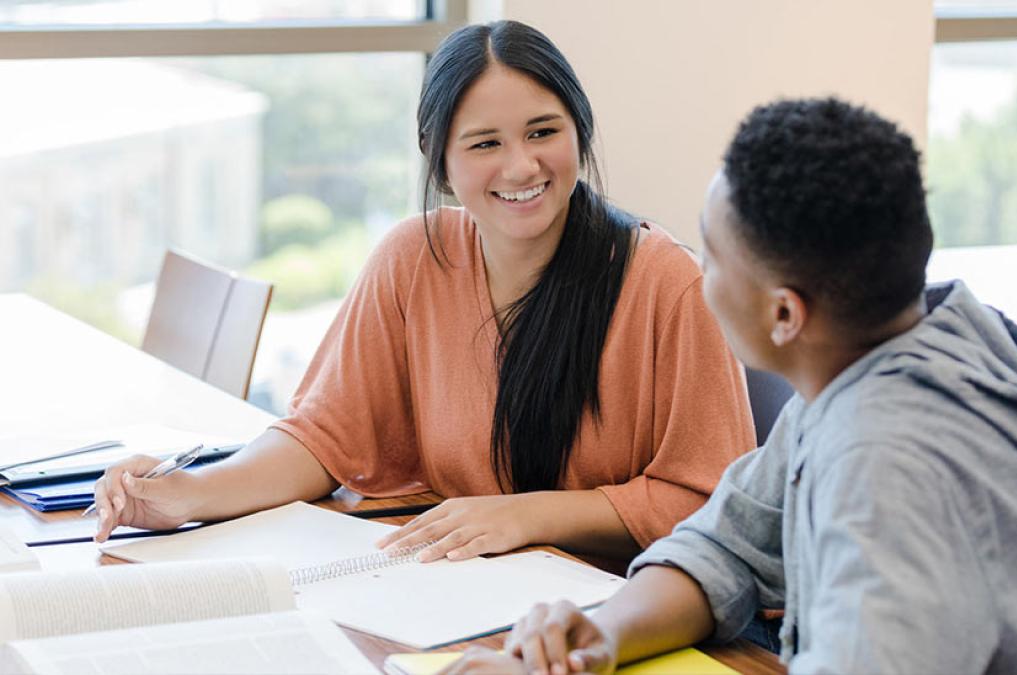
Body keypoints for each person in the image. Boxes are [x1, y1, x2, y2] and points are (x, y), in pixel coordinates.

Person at [468, 98, 1017, 674]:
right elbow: (730, 545)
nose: (700, 276)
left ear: (785, 314)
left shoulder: (888, 464)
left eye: (713, 257)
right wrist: (602, 634)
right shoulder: (874, 365)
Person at [91, 21, 755, 567]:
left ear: (579, 133)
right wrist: (191, 494)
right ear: (440, 163)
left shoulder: (668, 283)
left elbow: (710, 501)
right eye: (485, 143)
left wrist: (525, 514)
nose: (522, 166)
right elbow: (325, 436)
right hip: (453, 591)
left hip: (611, 610)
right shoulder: (413, 258)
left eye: (543, 132)